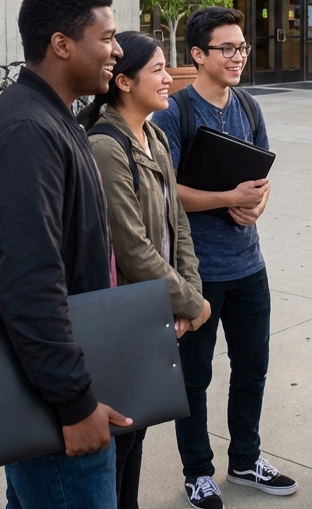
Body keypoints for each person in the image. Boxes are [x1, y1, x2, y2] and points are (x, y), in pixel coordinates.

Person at [0, 0, 130, 509]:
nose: (117, 51)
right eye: (108, 37)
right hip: (42, 388)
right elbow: (29, 283)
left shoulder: (51, 116)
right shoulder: (27, 131)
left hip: (45, 375)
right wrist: (74, 403)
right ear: (61, 44)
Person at [154, 7, 297, 509]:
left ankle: (245, 459)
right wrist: (227, 199)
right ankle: (198, 473)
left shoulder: (250, 107)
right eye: (227, 49)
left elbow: (263, 175)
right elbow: (165, 189)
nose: (238, 56)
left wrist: (255, 203)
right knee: (194, 377)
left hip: (248, 266)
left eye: (242, 47)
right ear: (198, 55)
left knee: (252, 367)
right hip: (198, 273)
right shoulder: (175, 112)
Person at [80, 31, 213, 509]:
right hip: (123, 315)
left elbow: (177, 224)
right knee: (118, 438)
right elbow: (131, 248)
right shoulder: (105, 146)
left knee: (136, 433)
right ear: (123, 82)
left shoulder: (154, 135)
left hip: (155, 309)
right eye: (157, 69)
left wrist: (187, 295)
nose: (168, 77)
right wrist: (191, 302)